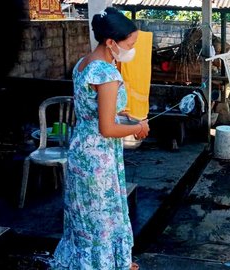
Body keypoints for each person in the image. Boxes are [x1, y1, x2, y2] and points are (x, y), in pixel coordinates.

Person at [51, 7, 149, 270]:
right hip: (98, 156)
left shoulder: (83, 64)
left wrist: (122, 115)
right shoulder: (106, 74)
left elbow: (93, 111)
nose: (132, 50)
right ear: (110, 42)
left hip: (81, 148)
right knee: (103, 215)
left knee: (84, 214)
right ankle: (104, 264)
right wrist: (137, 127)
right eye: (130, 45)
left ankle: (101, 261)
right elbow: (106, 128)